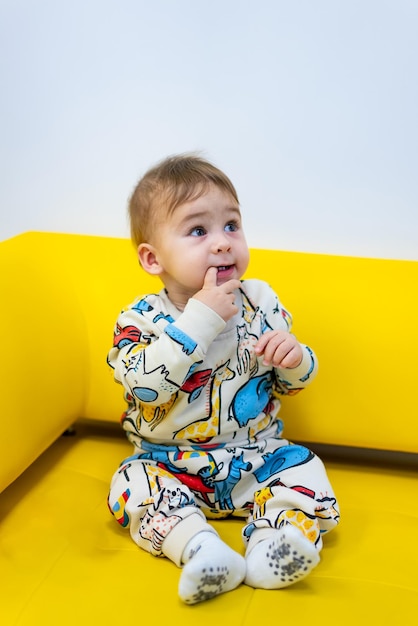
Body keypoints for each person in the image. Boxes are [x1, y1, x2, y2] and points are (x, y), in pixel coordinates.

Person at [107, 154, 340, 604]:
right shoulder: (142, 319)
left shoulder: (260, 301)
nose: (222, 243)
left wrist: (293, 359)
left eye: (231, 225)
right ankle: (200, 549)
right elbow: (143, 386)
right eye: (198, 231)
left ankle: (274, 547)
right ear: (153, 258)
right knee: (130, 485)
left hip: (255, 458)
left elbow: (292, 384)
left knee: (304, 468)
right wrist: (200, 321)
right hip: (167, 462)